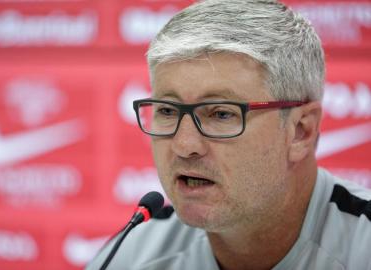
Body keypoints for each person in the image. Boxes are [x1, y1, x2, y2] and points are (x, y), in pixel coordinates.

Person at [87, 0, 371, 269]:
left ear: (301, 131)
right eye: (167, 111)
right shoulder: (134, 254)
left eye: (221, 114)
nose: (185, 145)